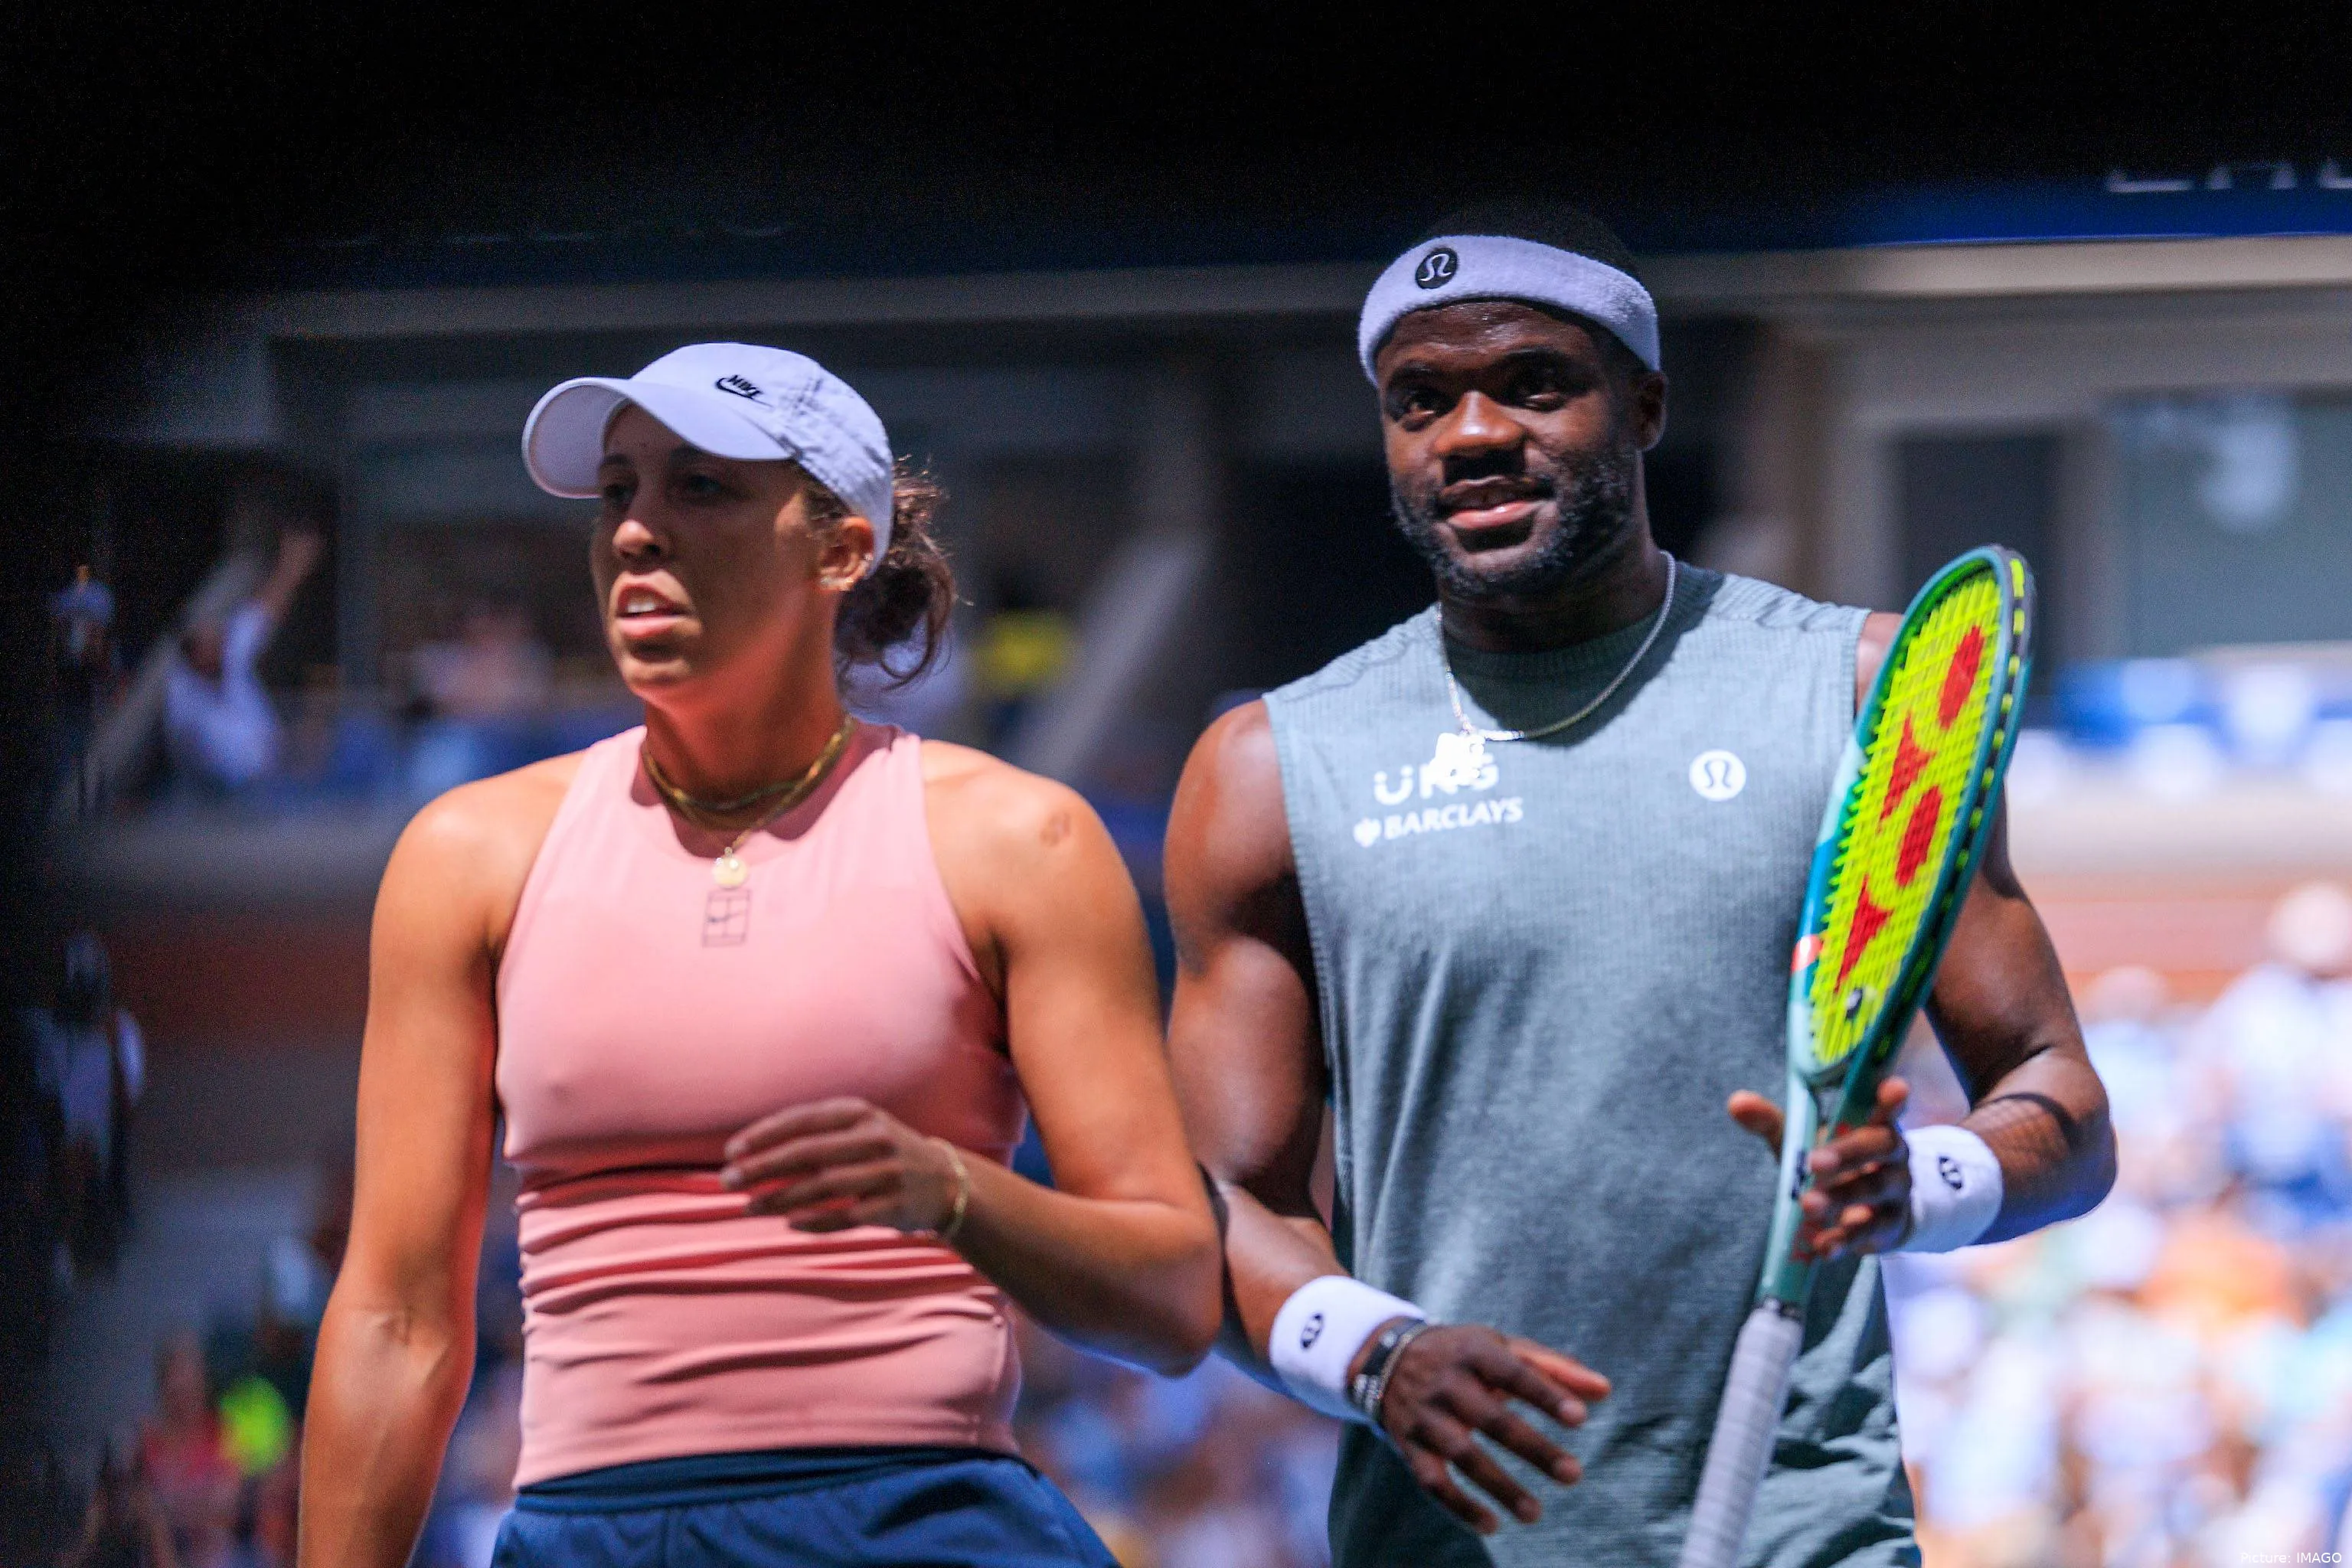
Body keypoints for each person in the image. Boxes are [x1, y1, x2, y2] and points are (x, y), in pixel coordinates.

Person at [1162, 204, 2117, 1566]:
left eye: (1533, 384)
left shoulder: (1856, 692)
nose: (1473, 435)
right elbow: (1211, 1204)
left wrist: (1924, 1177)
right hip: (1447, 1545)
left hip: (1808, 1532)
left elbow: (2061, 1103)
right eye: (1419, 401)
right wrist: (1375, 1353)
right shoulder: (1264, 769)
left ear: (1646, 404)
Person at [298, 342, 1222, 1568]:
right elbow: (397, 1320)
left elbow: (1171, 1294)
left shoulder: (1020, 840)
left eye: (702, 490)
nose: (634, 533)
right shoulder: (464, 856)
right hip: (588, 1539)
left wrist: (949, 1190)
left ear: (839, 550)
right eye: (619, 491)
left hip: (923, 1530)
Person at [162, 526, 322, 793]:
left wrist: (290, 567)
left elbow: (264, 611)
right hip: (228, 795)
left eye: (220, 638)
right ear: (193, 652)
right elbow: (209, 758)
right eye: (211, 643)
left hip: (275, 777)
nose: (221, 645)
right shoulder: (181, 693)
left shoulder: (229, 655)